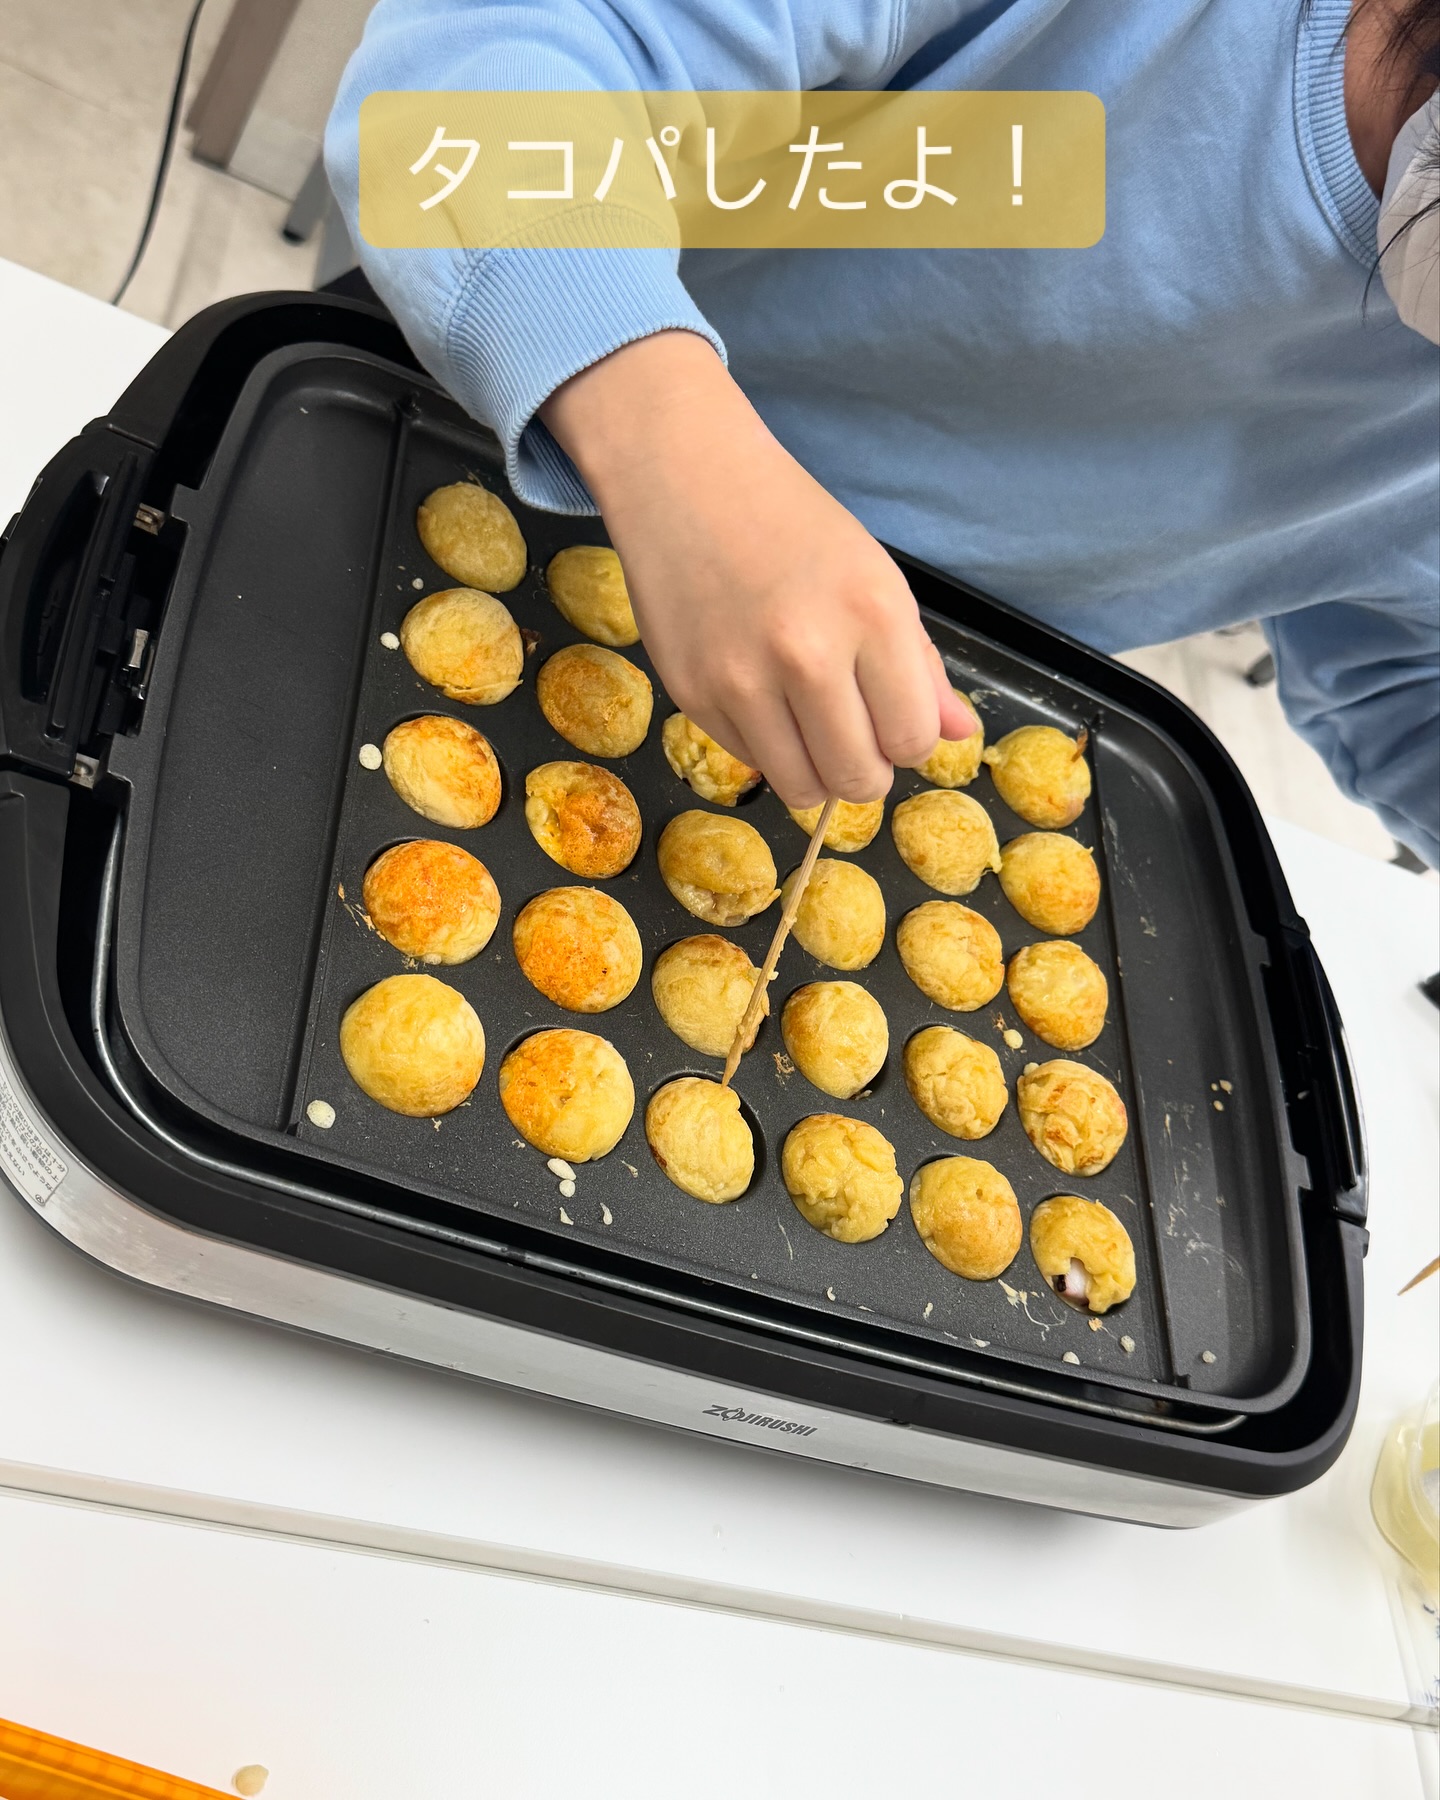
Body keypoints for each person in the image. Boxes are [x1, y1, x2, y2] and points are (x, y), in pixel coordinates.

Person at [325, 0, 1440, 863]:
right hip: (542, 411)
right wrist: (676, 447)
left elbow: (1406, 682)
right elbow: (479, 72)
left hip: (888, 736)